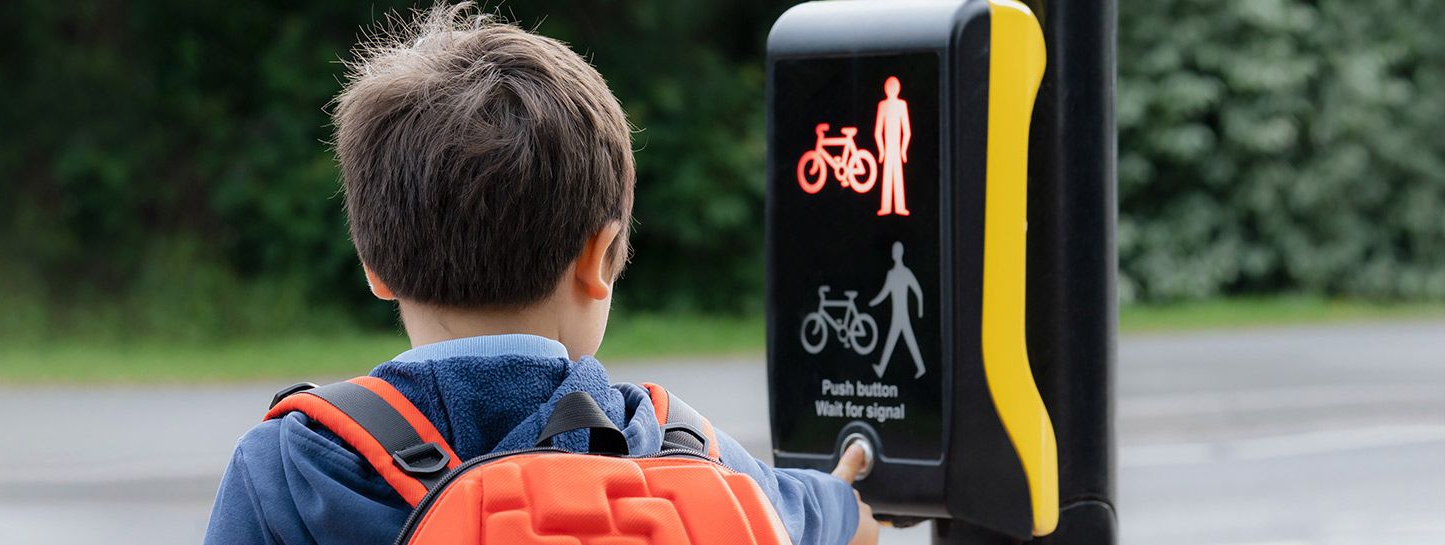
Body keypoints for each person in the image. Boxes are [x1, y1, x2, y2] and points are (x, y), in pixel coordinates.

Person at [202, 4, 878, 545]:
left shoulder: (291, 468)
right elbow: (848, 520)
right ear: (598, 258)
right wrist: (842, 494)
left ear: (374, 266)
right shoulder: (683, 447)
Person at [868, 242, 926, 379]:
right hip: (899, 316)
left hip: (901, 316)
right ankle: (919, 368)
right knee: (902, 340)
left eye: (895, 251)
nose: (893, 253)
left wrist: (920, 311)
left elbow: (919, 293)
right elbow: (884, 293)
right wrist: (873, 302)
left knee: (897, 340)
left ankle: (882, 368)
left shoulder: (904, 273)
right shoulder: (892, 274)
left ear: (898, 253)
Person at [873, 76, 911, 217]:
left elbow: (907, 131)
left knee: (895, 176)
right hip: (890, 146)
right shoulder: (883, 106)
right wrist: (881, 150)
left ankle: (899, 207)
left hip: (894, 146)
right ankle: (887, 207)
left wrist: (903, 149)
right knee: (889, 176)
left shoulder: (902, 105)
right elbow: (878, 131)